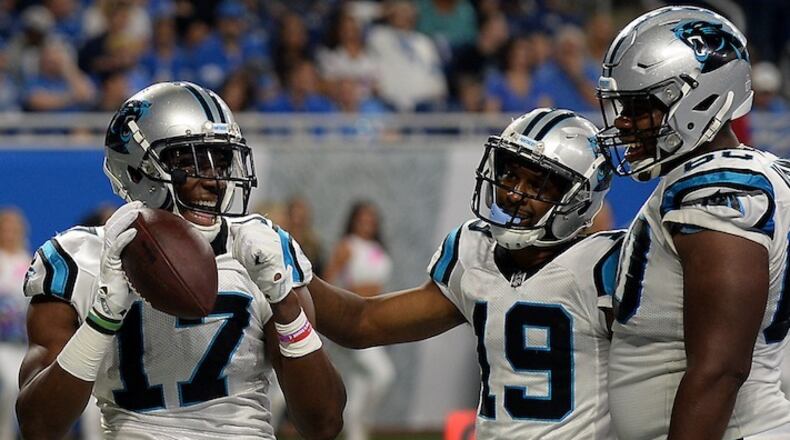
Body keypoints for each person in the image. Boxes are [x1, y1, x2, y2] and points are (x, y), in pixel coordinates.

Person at [16, 81, 345, 439]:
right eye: (191, 162)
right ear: (138, 171)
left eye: (220, 162)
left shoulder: (260, 248)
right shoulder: (78, 258)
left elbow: (324, 424)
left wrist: (285, 303)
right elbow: (38, 426)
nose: (215, 182)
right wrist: (102, 320)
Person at [308, 108, 620, 438]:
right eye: (510, 175)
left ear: (578, 200)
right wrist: (289, 272)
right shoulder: (475, 251)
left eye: (537, 185)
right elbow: (362, 323)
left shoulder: (608, 264)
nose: (514, 193)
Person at [595, 6, 790, 439]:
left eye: (640, 106)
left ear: (701, 98)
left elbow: (721, 369)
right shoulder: (724, 175)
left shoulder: (717, 188)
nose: (624, 123)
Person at [322, 201, 396, 440]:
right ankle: (363, 421)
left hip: (375, 321)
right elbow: (327, 282)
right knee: (383, 374)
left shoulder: (377, 249)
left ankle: (356, 431)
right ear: (353, 220)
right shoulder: (346, 246)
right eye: (363, 218)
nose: (368, 223)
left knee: (359, 383)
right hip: (352, 321)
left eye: (372, 219)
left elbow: (379, 287)